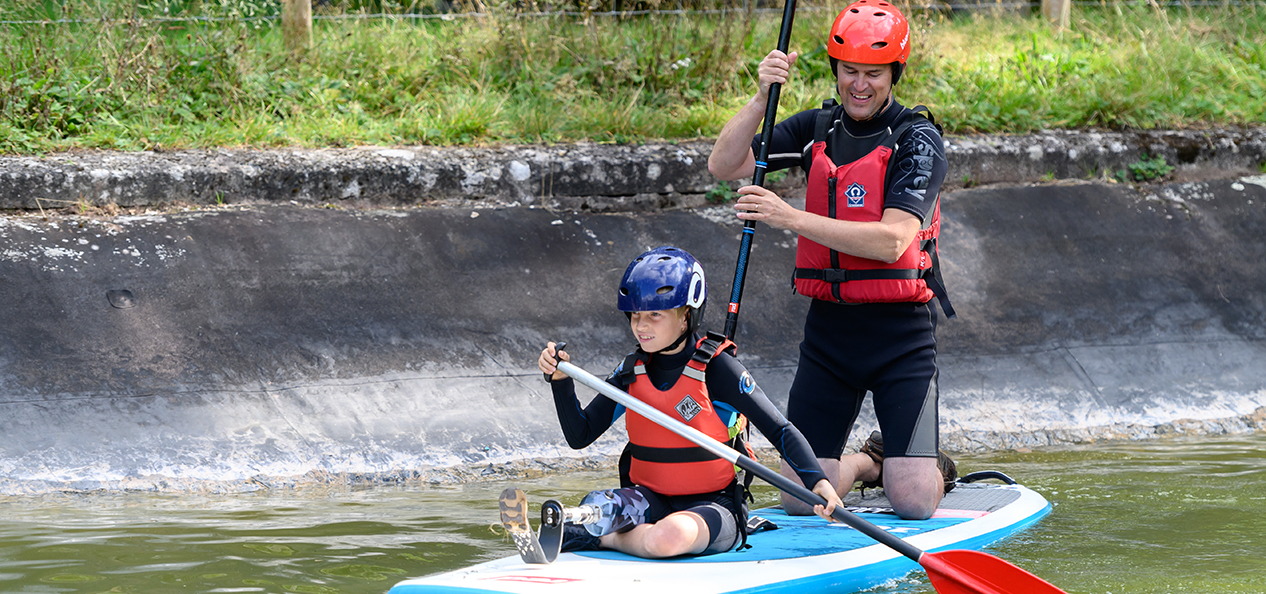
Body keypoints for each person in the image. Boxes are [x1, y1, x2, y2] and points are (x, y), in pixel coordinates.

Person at [707, 0, 957, 521]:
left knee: (912, 503)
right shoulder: (817, 128)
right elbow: (723, 164)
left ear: (894, 74)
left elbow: (892, 241)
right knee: (798, 498)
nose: (859, 85)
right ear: (835, 70)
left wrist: (788, 217)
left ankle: (920, 469)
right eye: (849, 72)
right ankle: (870, 463)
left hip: (901, 337)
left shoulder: (918, 139)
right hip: (830, 335)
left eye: (873, 74)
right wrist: (760, 97)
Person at [537, 246, 843, 558]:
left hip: (712, 506)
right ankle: (598, 527)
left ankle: (605, 539)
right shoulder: (632, 370)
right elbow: (581, 435)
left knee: (668, 537)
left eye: (655, 314)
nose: (641, 326)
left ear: (686, 315)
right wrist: (560, 383)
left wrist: (817, 482)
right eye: (636, 315)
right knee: (597, 506)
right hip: (648, 499)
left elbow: (779, 430)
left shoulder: (718, 369)